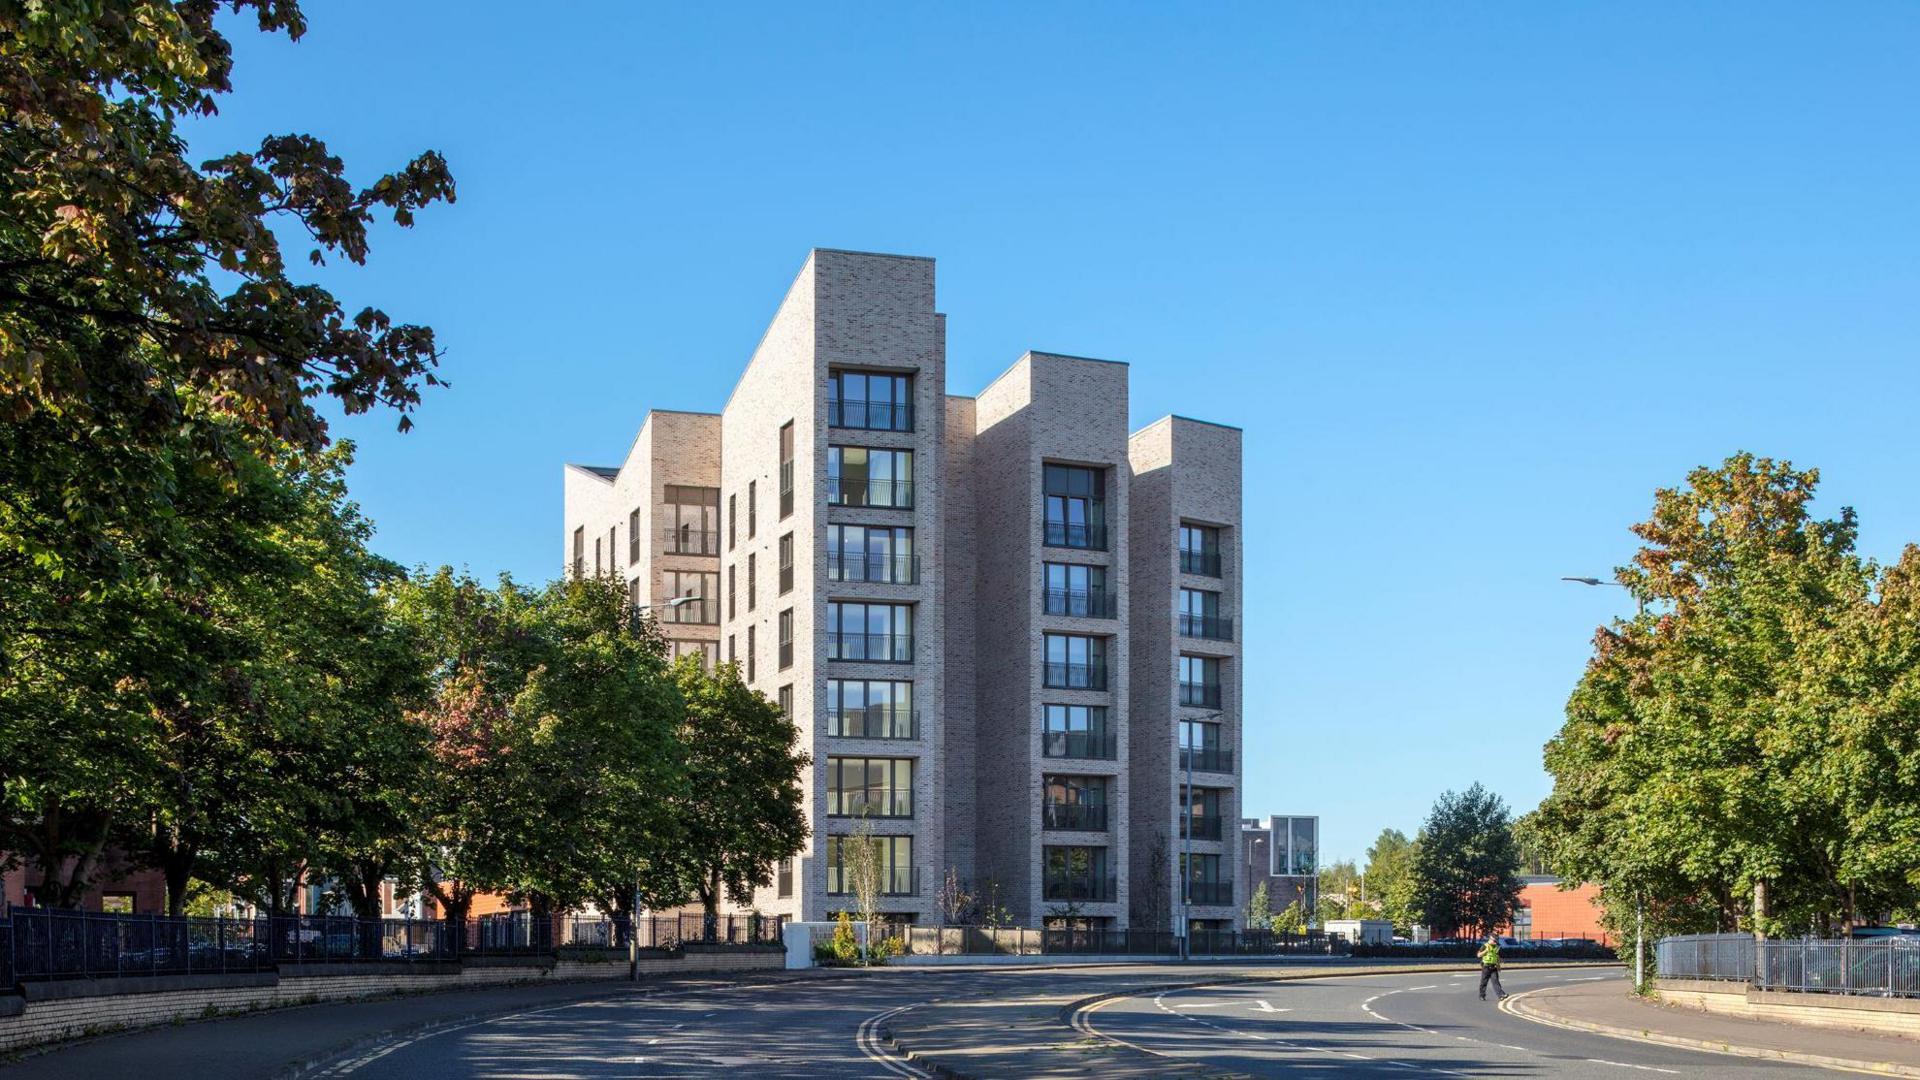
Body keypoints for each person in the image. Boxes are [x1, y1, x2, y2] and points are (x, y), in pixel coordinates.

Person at [1478, 934, 1506, 1000]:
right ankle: (1482, 995)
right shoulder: (1485, 946)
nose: (1495, 942)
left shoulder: (1496, 947)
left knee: (1496, 981)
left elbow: (1497, 957)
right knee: (1484, 982)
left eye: (1496, 941)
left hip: (1493, 967)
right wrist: (1486, 951)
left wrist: (1498, 966)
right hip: (1486, 966)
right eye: (1494, 941)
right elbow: (1478, 955)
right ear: (1490, 939)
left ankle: (1501, 995)